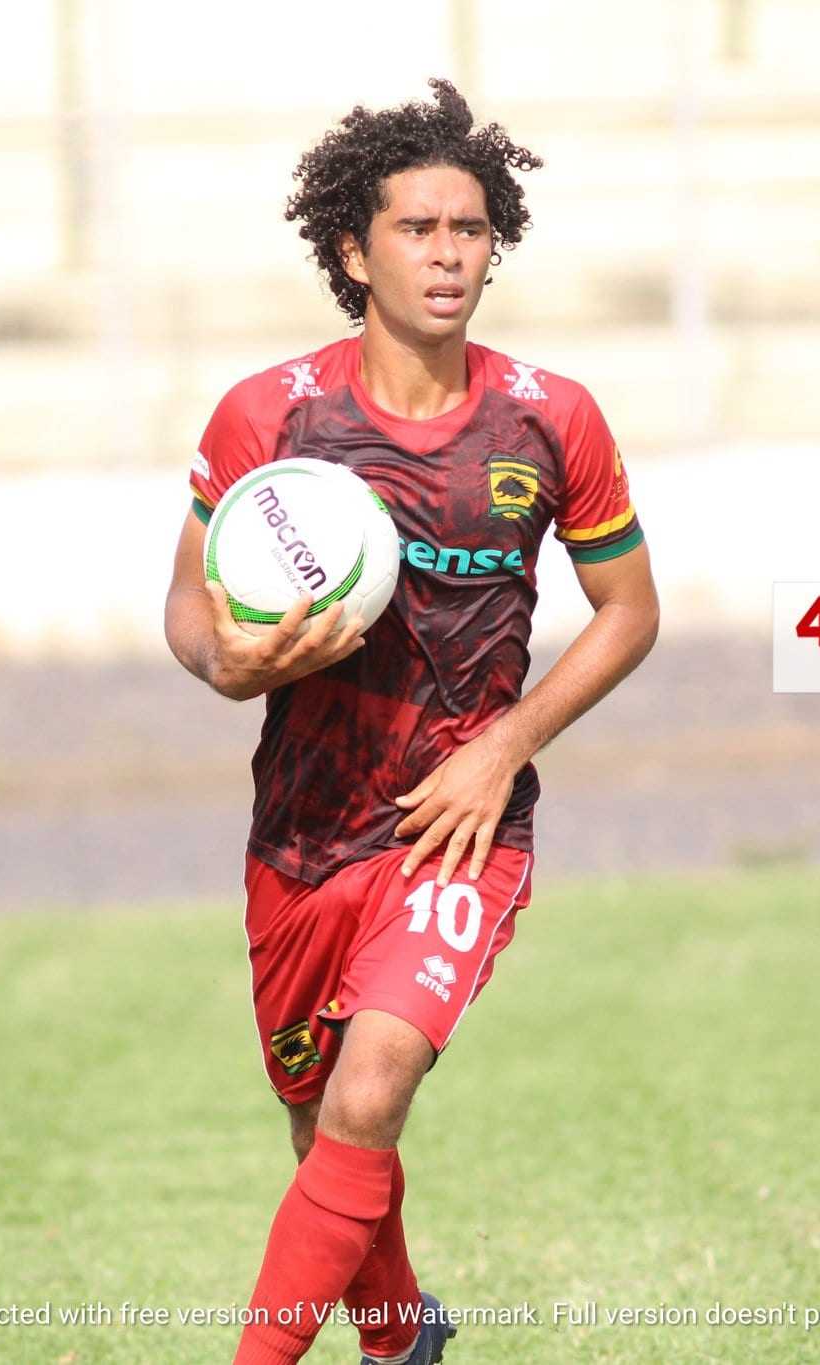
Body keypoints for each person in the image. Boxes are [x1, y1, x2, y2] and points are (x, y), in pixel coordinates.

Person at [162, 79, 659, 1365]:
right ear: (352, 251)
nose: (447, 255)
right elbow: (188, 605)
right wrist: (228, 662)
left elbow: (628, 612)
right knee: (320, 1123)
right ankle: (398, 1341)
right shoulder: (271, 417)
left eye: (469, 230)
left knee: (371, 1088)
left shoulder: (549, 417)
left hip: (456, 827)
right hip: (304, 827)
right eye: (417, 229)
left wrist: (504, 748)